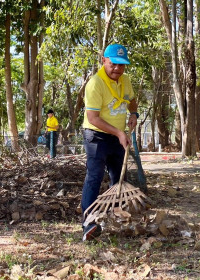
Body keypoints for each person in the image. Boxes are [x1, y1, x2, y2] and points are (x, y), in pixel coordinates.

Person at [81, 44, 139, 241]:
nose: (117, 69)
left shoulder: (125, 80)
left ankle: (116, 218)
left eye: (121, 65)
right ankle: (88, 223)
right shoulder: (95, 84)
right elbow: (93, 118)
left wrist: (133, 113)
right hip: (96, 136)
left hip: (117, 136)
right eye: (113, 64)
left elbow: (132, 100)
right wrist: (118, 133)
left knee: (118, 178)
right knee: (95, 176)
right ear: (104, 60)